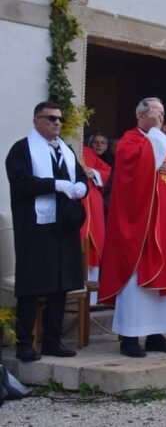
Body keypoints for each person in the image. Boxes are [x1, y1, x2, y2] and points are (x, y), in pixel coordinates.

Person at [98, 97, 166, 358]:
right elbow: (135, 174)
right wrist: (157, 139)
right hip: (140, 225)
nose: (160, 117)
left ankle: (156, 336)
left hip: (164, 224)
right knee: (136, 283)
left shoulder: (163, 141)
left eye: (161, 113)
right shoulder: (129, 141)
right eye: (155, 113)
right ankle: (129, 337)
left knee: (162, 283)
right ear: (140, 116)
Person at [5, 102, 88, 361]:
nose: (57, 123)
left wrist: (81, 188)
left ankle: (53, 340)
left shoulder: (65, 149)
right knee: (32, 286)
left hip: (63, 227)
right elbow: (20, 183)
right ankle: (25, 343)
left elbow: (81, 177)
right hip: (36, 228)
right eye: (51, 119)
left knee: (59, 286)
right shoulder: (21, 149)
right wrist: (56, 185)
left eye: (60, 119)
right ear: (36, 121)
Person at [81, 134, 112, 305]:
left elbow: (107, 172)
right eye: (96, 142)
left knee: (94, 247)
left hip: (95, 206)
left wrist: (92, 172)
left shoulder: (92, 156)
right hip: (80, 204)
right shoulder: (77, 151)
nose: (99, 145)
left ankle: (91, 301)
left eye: (102, 142)